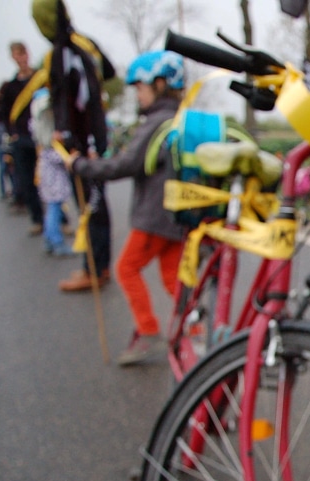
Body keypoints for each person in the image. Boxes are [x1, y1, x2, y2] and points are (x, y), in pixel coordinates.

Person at [62, 51, 187, 365]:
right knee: (173, 278)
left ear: (160, 84)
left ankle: (148, 332)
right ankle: (196, 330)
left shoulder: (157, 121)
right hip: (176, 215)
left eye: (140, 87)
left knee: (125, 269)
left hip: (154, 217)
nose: (137, 94)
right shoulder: (180, 118)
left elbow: (125, 164)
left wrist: (79, 166)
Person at [29, 0, 117, 292]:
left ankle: (95, 269)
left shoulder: (63, 51)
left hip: (82, 145)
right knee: (94, 207)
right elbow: (109, 72)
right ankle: (97, 265)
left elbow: (76, 98)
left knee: (91, 208)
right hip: (93, 138)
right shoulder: (84, 43)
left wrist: (68, 135)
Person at [0, 41, 44, 233]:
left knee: (49, 179)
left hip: (41, 137)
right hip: (21, 138)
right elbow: (3, 113)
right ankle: (37, 219)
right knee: (27, 180)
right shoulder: (10, 86)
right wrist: (12, 133)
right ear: (13, 58)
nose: (21, 58)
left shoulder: (40, 79)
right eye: (17, 55)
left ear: (28, 54)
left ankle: (61, 219)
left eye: (23, 54)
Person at [30, 88, 75, 256]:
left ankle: (49, 240)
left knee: (51, 208)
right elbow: (58, 156)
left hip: (46, 172)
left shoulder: (36, 122)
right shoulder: (46, 125)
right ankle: (56, 241)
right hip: (52, 176)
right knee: (54, 208)